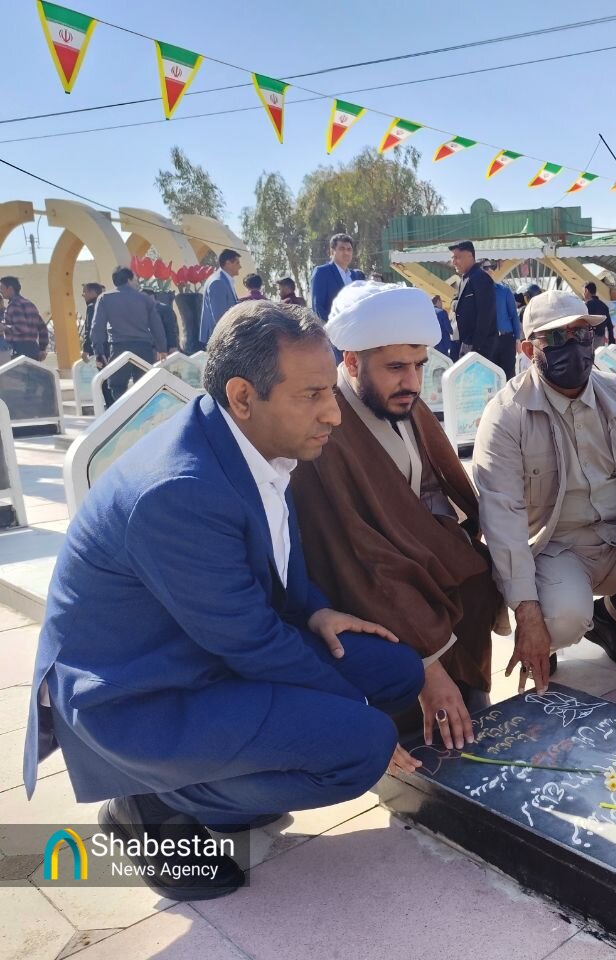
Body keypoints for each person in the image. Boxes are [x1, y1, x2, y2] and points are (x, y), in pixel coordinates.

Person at [24, 300, 425, 901]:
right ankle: (153, 807)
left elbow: (277, 564)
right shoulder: (180, 491)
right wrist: (359, 724)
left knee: (397, 670)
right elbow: (251, 641)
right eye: (312, 395)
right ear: (242, 396)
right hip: (140, 693)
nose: (333, 413)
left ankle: (237, 781)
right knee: (361, 746)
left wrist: (315, 610)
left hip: (200, 649)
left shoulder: (249, 440)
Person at [291, 281, 504, 742]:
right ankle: (416, 717)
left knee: (476, 574)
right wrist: (430, 665)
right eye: (395, 367)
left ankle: (468, 690)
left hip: (409, 549)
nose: (412, 382)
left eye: (419, 366)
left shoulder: (402, 401)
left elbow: (434, 484)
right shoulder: (326, 434)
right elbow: (353, 551)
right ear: (351, 362)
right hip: (358, 575)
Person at [473, 290, 616, 688]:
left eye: (582, 334)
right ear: (528, 349)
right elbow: (502, 520)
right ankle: (547, 637)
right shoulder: (506, 416)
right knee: (563, 619)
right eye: (556, 338)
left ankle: (615, 623)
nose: (573, 348)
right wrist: (527, 612)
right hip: (556, 548)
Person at [91, 266, 168, 407]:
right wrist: (162, 348)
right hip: (143, 348)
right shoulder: (145, 299)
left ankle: (124, 412)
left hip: (118, 348)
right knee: (145, 385)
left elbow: (97, 327)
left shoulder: (105, 298)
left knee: (117, 386)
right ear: (128, 279)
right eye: (135, 279)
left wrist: (99, 352)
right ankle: (142, 413)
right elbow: (157, 326)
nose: (137, 282)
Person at [449, 240, 499, 366]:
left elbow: (486, 315)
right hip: (466, 343)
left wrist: (476, 346)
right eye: (452, 258)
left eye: (457, 257)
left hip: (479, 346)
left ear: (470, 256)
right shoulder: (464, 279)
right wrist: (456, 304)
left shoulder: (480, 278)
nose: (454, 262)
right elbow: (455, 301)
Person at [310, 233, 366, 323]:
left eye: (349, 249)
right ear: (332, 252)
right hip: (331, 328)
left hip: (355, 327)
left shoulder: (355, 276)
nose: (346, 253)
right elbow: (318, 308)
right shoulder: (322, 272)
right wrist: (336, 325)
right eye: (342, 249)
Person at [198, 248, 241, 348]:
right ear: (228, 263)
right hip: (219, 339)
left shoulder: (223, 280)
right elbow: (219, 317)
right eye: (237, 263)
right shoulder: (218, 282)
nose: (240, 266)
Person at [0, 276, 49, 361]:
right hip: (34, 349)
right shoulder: (30, 304)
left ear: (10, 289)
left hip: (19, 350)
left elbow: (21, 328)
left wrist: (4, 328)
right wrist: (42, 349)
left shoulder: (14, 305)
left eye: (2, 288)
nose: (0, 291)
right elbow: (42, 328)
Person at [484, 261, 519, 378]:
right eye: (485, 268)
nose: (490, 270)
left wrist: (517, 339)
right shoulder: (475, 293)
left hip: (506, 339)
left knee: (509, 375)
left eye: (492, 267)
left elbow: (514, 315)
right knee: (490, 377)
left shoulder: (504, 291)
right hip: (487, 341)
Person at [143, 289, 182, 355]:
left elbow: (171, 328)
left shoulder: (164, 309)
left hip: (166, 347)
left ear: (152, 296)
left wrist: (172, 346)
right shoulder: (146, 310)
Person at [584, 282, 615, 348]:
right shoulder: (604, 306)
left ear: (586, 290)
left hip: (587, 341)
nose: (584, 294)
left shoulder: (586, 305)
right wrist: (611, 342)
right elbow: (610, 326)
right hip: (600, 342)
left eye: (584, 291)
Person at [79, 282, 105, 360]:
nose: (83, 295)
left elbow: (90, 328)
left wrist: (86, 349)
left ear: (93, 293)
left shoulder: (92, 307)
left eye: (85, 292)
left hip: (97, 348)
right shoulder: (105, 304)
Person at [432, 294, 456, 359]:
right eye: (441, 301)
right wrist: (451, 331)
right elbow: (448, 327)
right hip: (443, 342)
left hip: (433, 342)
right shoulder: (442, 312)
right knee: (445, 359)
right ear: (438, 301)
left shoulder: (429, 312)